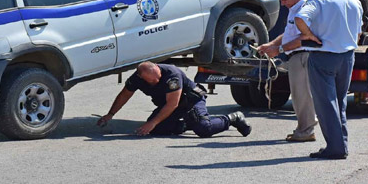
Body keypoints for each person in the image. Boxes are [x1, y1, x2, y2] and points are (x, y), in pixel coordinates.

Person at [295, 0, 363, 160]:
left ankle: (336, 148)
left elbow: (300, 19)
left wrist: (309, 36)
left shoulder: (318, 0)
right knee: (339, 102)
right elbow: (358, 31)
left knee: (326, 104)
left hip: (324, 55)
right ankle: (341, 144)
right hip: (347, 56)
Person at [96, 62, 252, 137]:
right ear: (140, 77)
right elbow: (124, 95)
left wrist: (152, 122)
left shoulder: (171, 74)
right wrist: (110, 114)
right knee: (156, 129)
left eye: (158, 78)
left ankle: (232, 118)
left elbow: (173, 103)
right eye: (152, 81)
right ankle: (189, 123)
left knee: (204, 129)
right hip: (170, 105)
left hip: (191, 100)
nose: (157, 82)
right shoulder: (136, 79)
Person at [258, 0, 317, 142]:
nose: (283, 4)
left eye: (284, 0)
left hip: (303, 54)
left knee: (303, 95)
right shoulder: (295, 9)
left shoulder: (305, 9)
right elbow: (288, 34)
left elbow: (303, 37)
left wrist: (279, 50)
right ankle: (304, 128)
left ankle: (306, 130)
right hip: (297, 55)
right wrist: (272, 44)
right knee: (299, 95)